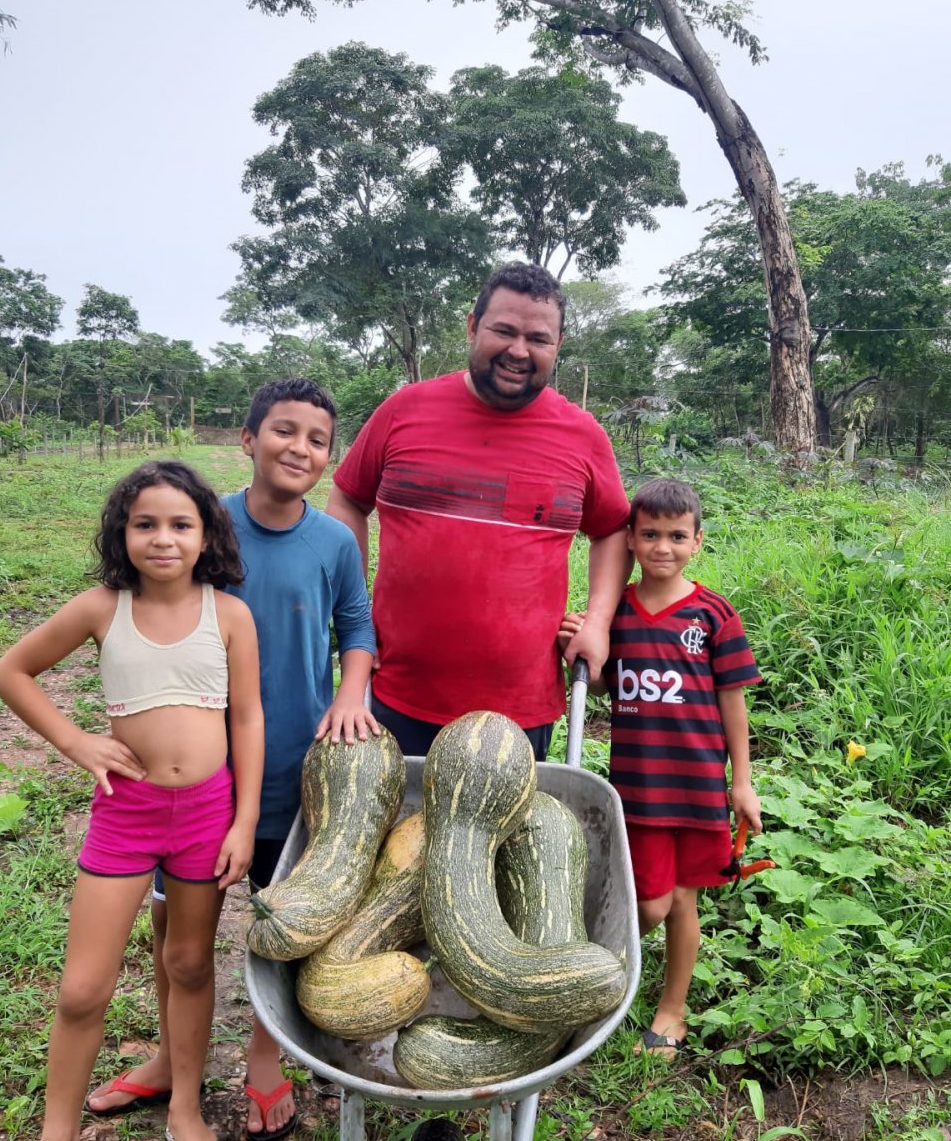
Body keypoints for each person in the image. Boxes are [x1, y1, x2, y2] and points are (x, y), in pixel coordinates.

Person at [0, 462, 263, 1141]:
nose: (163, 538)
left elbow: (247, 719)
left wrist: (243, 821)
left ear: (207, 534)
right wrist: (78, 742)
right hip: (125, 814)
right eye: (145, 523)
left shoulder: (230, 614)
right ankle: (56, 1139)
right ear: (121, 532)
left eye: (180, 524)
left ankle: (187, 1109)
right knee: (81, 988)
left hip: (206, 814)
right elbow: (11, 671)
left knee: (189, 962)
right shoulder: (103, 606)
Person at [86, 379, 377, 1141]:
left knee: (282, 919)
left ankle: (264, 1053)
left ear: (330, 455)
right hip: (196, 780)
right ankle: (166, 1055)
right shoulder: (200, 525)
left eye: (317, 439)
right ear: (247, 439)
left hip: (294, 769)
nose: (299, 448)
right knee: (174, 933)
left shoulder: (335, 542)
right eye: (283, 430)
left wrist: (351, 691)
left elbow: (357, 626)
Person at [326, 261, 631, 759]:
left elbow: (614, 530)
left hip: (519, 709)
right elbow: (347, 498)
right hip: (396, 690)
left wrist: (598, 621)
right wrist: (354, 613)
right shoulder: (404, 410)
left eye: (538, 338)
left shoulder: (582, 435)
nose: (519, 350)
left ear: (558, 345)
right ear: (472, 326)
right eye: (504, 331)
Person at [559, 478, 762, 1059]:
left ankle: (672, 1010)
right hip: (638, 788)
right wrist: (579, 649)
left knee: (683, 901)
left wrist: (741, 783)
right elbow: (603, 686)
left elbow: (732, 701)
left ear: (697, 541)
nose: (662, 547)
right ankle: (590, 979)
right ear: (630, 538)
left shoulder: (713, 614)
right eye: (650, 535)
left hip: (697, 788)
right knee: (651, 902)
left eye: (676, 536)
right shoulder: (616, 611)